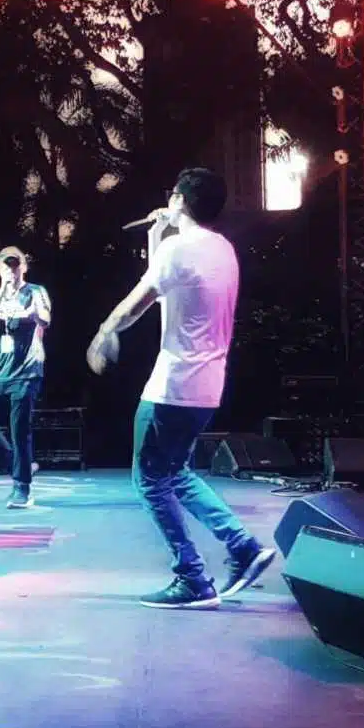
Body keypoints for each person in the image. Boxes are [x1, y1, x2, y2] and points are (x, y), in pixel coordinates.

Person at [87, 168, 276, 609]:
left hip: (173, 385)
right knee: (176, 473)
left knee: (150, 480)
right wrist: (160, 232)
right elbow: (168, 280)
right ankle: (242, 547)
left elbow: (138, 302)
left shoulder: (179, 248)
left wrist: (103, 332)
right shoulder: (221, 248)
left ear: (178, 199)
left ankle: (192, 576)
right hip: (206, 386)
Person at [0, 246, 51, 509]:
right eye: (6, 265)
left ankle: (22, 488)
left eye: (16, 264)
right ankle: (17, 464)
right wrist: (3, 291)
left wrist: (34, 312)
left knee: (19, 429)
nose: (12, 269)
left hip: (26, 371)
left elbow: (45, 318)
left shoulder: (36, 291)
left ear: (24, 267)